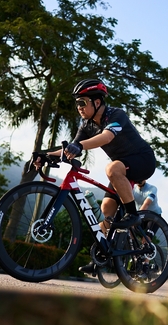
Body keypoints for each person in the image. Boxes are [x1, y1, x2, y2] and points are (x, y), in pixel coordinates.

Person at [34, 78, 156, 275]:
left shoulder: (116, 114)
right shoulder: (86, 125)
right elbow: (70, 149)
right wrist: (45, 155)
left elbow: (107, 137)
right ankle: (101, 258)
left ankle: (133, 215)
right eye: (77, 103)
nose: (79, 107)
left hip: (143, 161)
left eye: (83, 102)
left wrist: (80, 145)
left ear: (97, 102)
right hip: (121, 169)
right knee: (106, 209)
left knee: (111, 169)